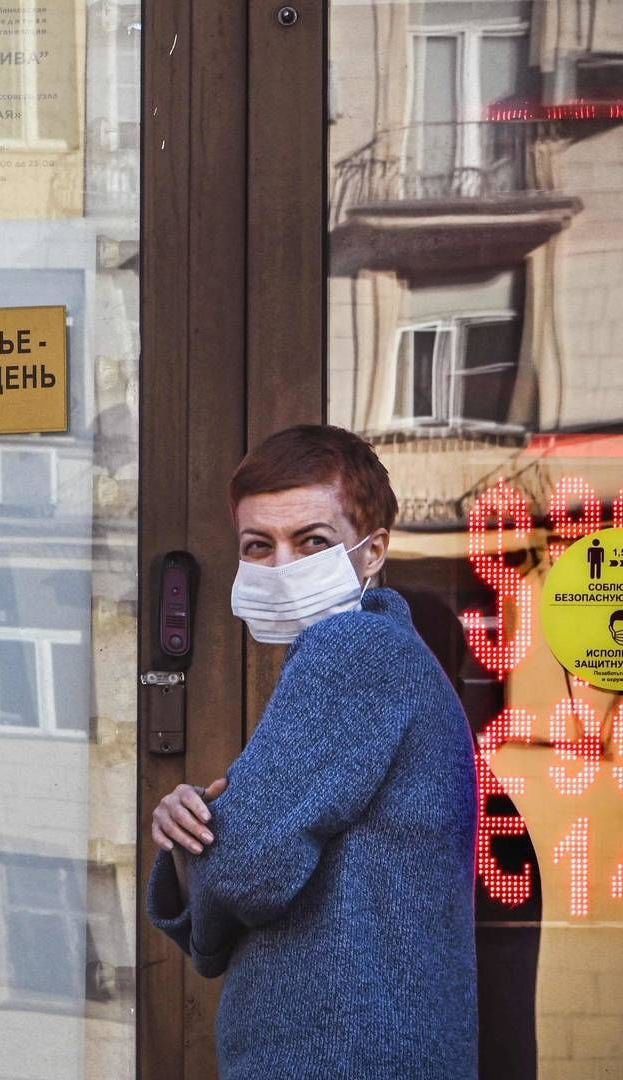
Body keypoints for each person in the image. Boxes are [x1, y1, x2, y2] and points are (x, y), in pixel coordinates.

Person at [147, 424, 478, 1078]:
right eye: (257, 545)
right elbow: (239, 871)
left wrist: (203, 844)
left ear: (373, 550)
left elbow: (243, 874)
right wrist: (202, 842)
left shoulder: (350, 653)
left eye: (312, 541)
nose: (283, 566)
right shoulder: (398, 661)